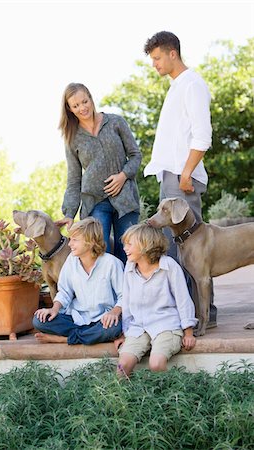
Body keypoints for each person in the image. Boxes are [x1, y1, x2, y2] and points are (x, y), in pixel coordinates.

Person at [143, 31, 217, 326]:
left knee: (192, 250)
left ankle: (203, 316)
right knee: (176, 251)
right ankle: (190, 315)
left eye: (157, 58)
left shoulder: (192, 85)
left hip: (182, 178)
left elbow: (203, 135)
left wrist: (186, 172)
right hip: (171, 176)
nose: (155, 64)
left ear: (173, 53)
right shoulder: (176, 86)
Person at [55, 82, 142, 264]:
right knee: (100, 255)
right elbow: (74, 179)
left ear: (91, 98)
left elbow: (135, 155)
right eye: (75, 106)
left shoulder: (116, 122)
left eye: (84, 102)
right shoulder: (72, 138)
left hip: (125, 198)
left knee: (130, 254)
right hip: (95, 202)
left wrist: (123, 176)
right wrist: (69, 213)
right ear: (70, 109)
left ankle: (129, 293)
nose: (82, 108)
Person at [116, 223, 197, 377]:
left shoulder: (169, 266)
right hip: (139, 326)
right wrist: (125, 333)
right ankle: (126, 400)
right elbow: (126, 302)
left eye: (129, 244)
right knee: (122, 366)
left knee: (156, 364)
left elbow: (183, 299)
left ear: (146, 244)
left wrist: (188, 332)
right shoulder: (130, 267)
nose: (125, 248)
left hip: (166, 325)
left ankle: (171, 396)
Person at [33, 217, 123, 345]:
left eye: (74, 240)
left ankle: (65, 339)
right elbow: (64, 292)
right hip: (76, 318)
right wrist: (54, 309)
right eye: (70, 240)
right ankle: (89, 336)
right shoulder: (71, 261)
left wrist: (114, 313)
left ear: (90, 242)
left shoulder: (112, 263)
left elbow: (124, 296)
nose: (69, 244)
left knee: (113, 328)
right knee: (39, 320)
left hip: (103, 320)